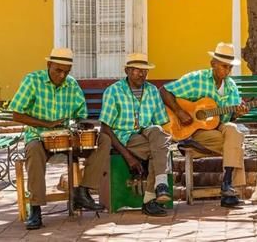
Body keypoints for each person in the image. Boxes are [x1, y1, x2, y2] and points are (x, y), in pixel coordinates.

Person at [9, 48, 111, 230]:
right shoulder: (33, 81)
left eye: (66, 72)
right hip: (39, 137)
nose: (62, 75)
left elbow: (80, 114)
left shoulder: (71, 85)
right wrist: (47, 124)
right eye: (58, 70)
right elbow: (16, 114)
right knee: (33, 150)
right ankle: (35, 207)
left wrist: (80, 124)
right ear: (49, 65)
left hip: (68, 138)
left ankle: (83, 191)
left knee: (103, 140)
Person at [160, 42, 249, 208]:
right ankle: (230, 192)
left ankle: (227, 183)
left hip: (218, 129)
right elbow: (164, 91)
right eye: (224, 66)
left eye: (230, 67)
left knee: (234, 132)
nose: (228, 71)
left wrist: (237, 113)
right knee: (236, 144)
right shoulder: (197, 79)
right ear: (213, 64)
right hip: (196, 130)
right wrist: (180, 112)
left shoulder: (231, 87)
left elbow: (229, 119)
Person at [98, 53, 172, 217]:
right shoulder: (114, 91)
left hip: (148, 134)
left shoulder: (152, 91)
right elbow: (105, 128)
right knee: (159, 149)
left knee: (159, 134)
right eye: (137, 70)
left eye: (145, 70)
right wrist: (128, 156)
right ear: (127, 71)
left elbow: (160, 122)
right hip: (125, 138)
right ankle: (151, 197)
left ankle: (159, 187)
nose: (142, 74)